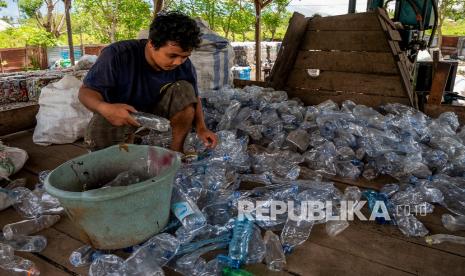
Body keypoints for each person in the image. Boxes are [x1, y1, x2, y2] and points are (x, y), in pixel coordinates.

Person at [78, 11, 218, 153]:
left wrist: (202, 128)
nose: (178, 62)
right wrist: (104, 108)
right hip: (120, 111)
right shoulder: (117, 55)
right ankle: (126, 143)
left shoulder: (184, 65)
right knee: (102, 144)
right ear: (152, 44)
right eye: (172, 55)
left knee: (185, 89)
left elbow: (194, 98)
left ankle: (177, 152)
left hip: (155, 107)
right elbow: (85, 92)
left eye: (184, 56)